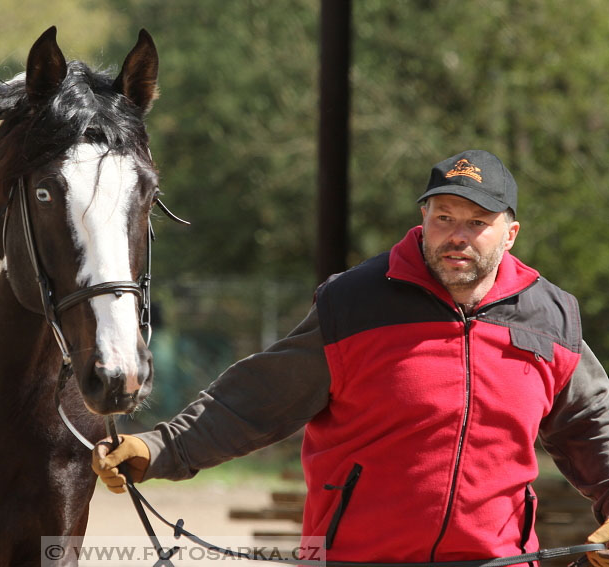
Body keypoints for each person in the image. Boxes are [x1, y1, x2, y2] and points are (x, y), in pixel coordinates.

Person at [92, 149, 609, 565]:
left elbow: (592, 422)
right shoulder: (355, 303)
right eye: (444, 216)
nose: (458, 236)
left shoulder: (551, 317)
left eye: (477, 222)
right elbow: (255, 401)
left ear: (509, 234)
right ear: (422, 217)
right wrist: (158, 447)